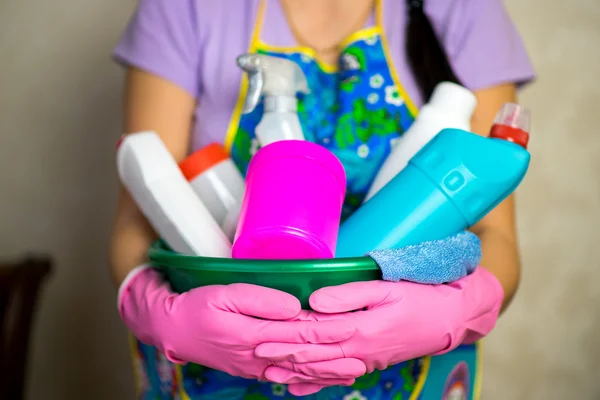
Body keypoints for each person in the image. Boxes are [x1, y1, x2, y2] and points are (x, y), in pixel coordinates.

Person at [109, 0, 535, 398]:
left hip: (407, 374)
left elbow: (494, 234)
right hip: (218, 374)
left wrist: (458, 309)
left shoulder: (463, 9)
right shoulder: (188, 8)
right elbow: (138, 220)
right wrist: (157, 308)